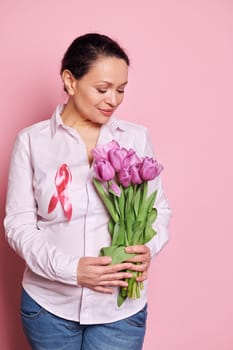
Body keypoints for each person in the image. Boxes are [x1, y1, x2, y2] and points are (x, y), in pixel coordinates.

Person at [4, 33, 171, 350]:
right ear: (70, 81)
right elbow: (19, 224)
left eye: (121, 90)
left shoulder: (135, 138)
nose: (114, 100)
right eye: (103, 89)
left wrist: (149, 245)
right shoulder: (32, 141)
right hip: (48, 307)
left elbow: (159, 210)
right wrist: (72, 271)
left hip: (120, 310)